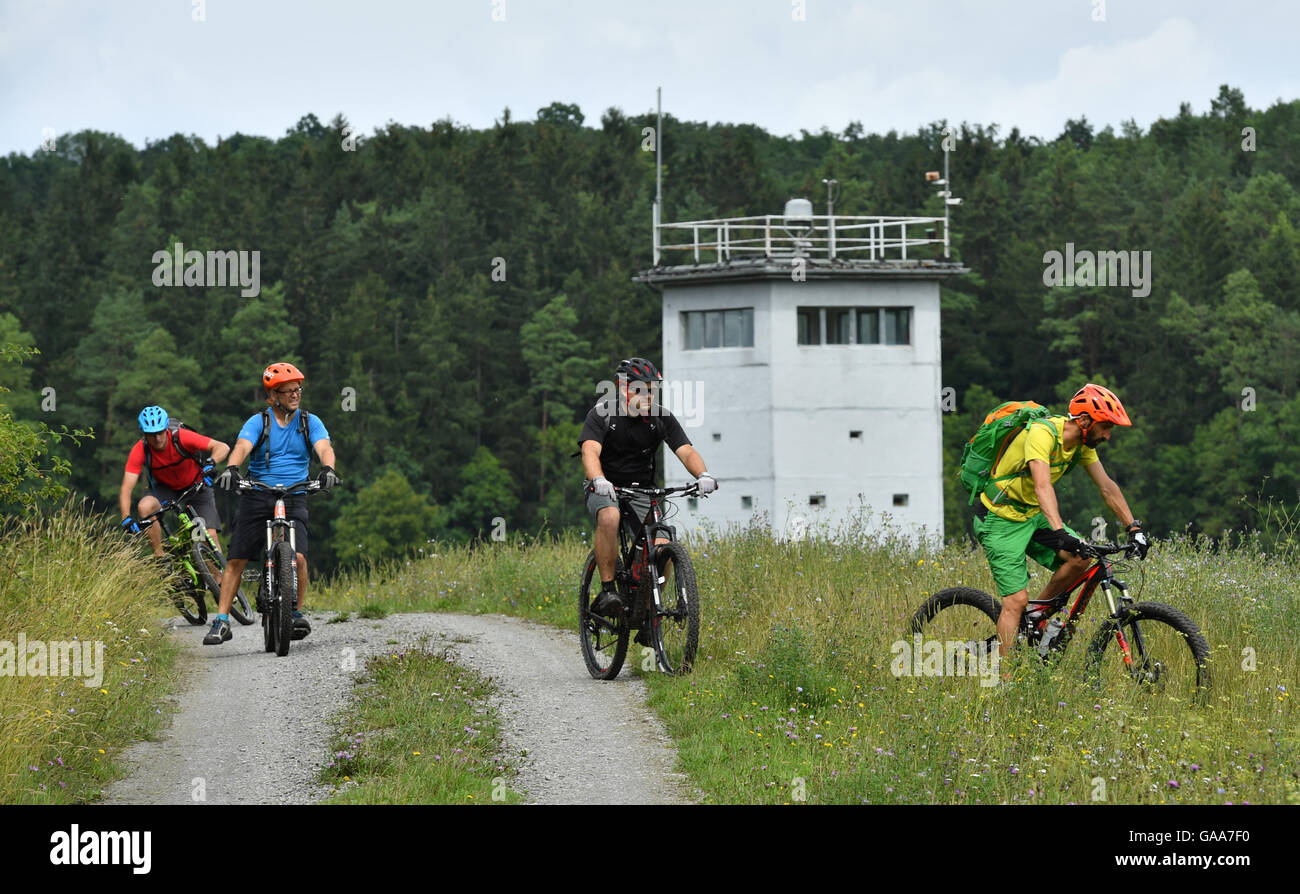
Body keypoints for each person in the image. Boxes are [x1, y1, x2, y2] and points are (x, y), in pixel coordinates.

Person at [971, 383, 1150, 661]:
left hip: (1031, 515)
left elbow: (1107, 487)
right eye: (1105, 427)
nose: (1108, 435)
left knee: (1081, 558)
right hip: (1000, 519)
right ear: (1083, 421)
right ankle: (1003, 683)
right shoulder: (1042, 434)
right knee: (1014, 602)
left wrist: (1133, 528)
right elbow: (1043, 486)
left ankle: (1035, 616)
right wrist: (1059, 530)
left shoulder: (1081, 446)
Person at [578, 358, 717, 643]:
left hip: (643, 489)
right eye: (639, 390)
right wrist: (599, 480)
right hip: (605, 486)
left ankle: (650, 613)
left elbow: (686, 450)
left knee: (663, 544)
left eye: (651, 391)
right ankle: (607, 591)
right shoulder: (602, 414)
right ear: (622, 387)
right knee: (610, 517)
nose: (646, 396)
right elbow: (590, 451)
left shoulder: (660, 417)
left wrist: (703, 474)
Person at [204, 363, 340, 646]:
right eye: (287, 391)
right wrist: (232, 468)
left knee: (299, 558)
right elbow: (242, 446)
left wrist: (327, 469)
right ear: (272, 396)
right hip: (258, 492)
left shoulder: (308, 421)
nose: (295, 395)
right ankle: (221, 621)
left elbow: (324, 447)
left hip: (295, 493)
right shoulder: (259, 421)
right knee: (237, 559)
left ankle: (296, 613)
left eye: (297, 389)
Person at [119, 405, 229, 557]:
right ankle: (160, 557)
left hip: (197, 486)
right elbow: (126, 488)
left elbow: (222, 447)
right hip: (166, 489)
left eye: (160, 433)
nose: (157, 439)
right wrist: (126, 517)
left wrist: (211, 463)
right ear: (144, 434)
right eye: (152, 435)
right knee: (145, 507)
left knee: (207, 537)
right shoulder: (140, 450)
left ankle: (218, 580)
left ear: (166, 429)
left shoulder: (181, 437)